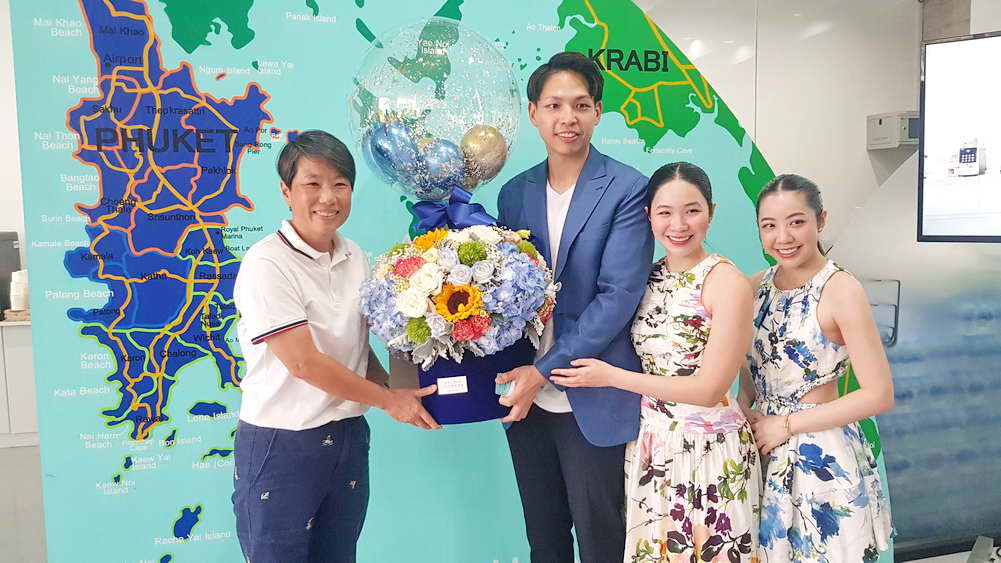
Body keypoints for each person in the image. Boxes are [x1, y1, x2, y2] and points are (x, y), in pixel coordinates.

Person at [231, 130, 438, 563]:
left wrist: (399, 388)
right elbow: (304, 363)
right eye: (313, 183)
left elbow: (356, 350)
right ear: (286, 191)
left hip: (346, 436)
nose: (328, 197)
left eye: (340, 184)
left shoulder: (354, 256)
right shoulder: (267, 263)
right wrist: (389, 401)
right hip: (282, 442)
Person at [552, 162, 761, 562]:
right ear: (648, 216)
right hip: (652, 445)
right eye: (665, 212)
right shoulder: (647, 277)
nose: (678, 225)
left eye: (692, 211)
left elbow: (709, 389)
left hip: (708, 449)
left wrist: (611, 377)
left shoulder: (726, 282)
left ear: (712, 212)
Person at [494, 51, 654, 563]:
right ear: (533, 112)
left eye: (581, 105)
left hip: (592, 394)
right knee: (544, 540)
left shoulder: (628, 188)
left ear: (598, 112)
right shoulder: (513, 194)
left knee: (601, 540)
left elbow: (618, 296)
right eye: (555, 105)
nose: (569, 118)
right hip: (525, 401)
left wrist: (543, 371)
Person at [739, 174, 894, 561]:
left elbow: (878, 394)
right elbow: (751, 368)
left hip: (820, 452)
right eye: (769, 226)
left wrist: (787, 425)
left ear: (820, 220)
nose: (783, 237)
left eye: (796, 222)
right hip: (763, 448)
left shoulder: (841, 289)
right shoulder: (755, 286)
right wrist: (744, 408)